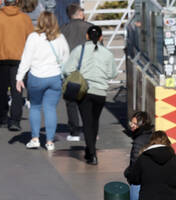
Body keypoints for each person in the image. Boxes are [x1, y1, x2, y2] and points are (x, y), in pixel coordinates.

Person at [15, 11, 68, 150]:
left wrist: (19, 77)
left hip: (37, 76)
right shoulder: (60, 37)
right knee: (50, 109)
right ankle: (50, 141)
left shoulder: (33, 37)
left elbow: (26, 58)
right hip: (55, 76)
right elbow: (66, 58)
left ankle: (35, 138)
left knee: (35, 107)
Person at [63, 25, 114, 164]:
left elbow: (67, 69)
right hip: (101, 92)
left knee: (86, 121)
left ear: (86, 36)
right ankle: (90, 148)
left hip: (84, 91)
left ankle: (92, 153)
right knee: (94, 120)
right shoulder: (107, 53)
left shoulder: (79, 50)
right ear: (101, 37)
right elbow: (112, 73)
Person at [0, 0, 34, 130]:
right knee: (17, 89)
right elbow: (31, 37)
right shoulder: (24, 18)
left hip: (2, 56)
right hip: (19, 57)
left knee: (2, 88)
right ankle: (15, 120)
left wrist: (0, 39)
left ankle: (2, 116)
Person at [58, 4, 90, 141]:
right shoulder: (90, 27)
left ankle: (74, 131)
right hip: (88, 69)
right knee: (87, 100)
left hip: (70, 70)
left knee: (71, 101)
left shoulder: (63, 29)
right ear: (80, 13)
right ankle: (90, 128)